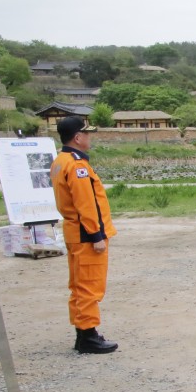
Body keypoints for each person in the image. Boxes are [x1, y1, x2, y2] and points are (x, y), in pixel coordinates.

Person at [50, 115, 118, 353]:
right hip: (85, 234)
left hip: (74, 232)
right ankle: (88, 335)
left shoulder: (61, 160)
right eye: (87, 134)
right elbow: (86, 204)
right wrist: (96, 234)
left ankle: (83, 333)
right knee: (89, 285)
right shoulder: (77, 165)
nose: (90, 138)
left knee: (79, 285)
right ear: (78, 137)